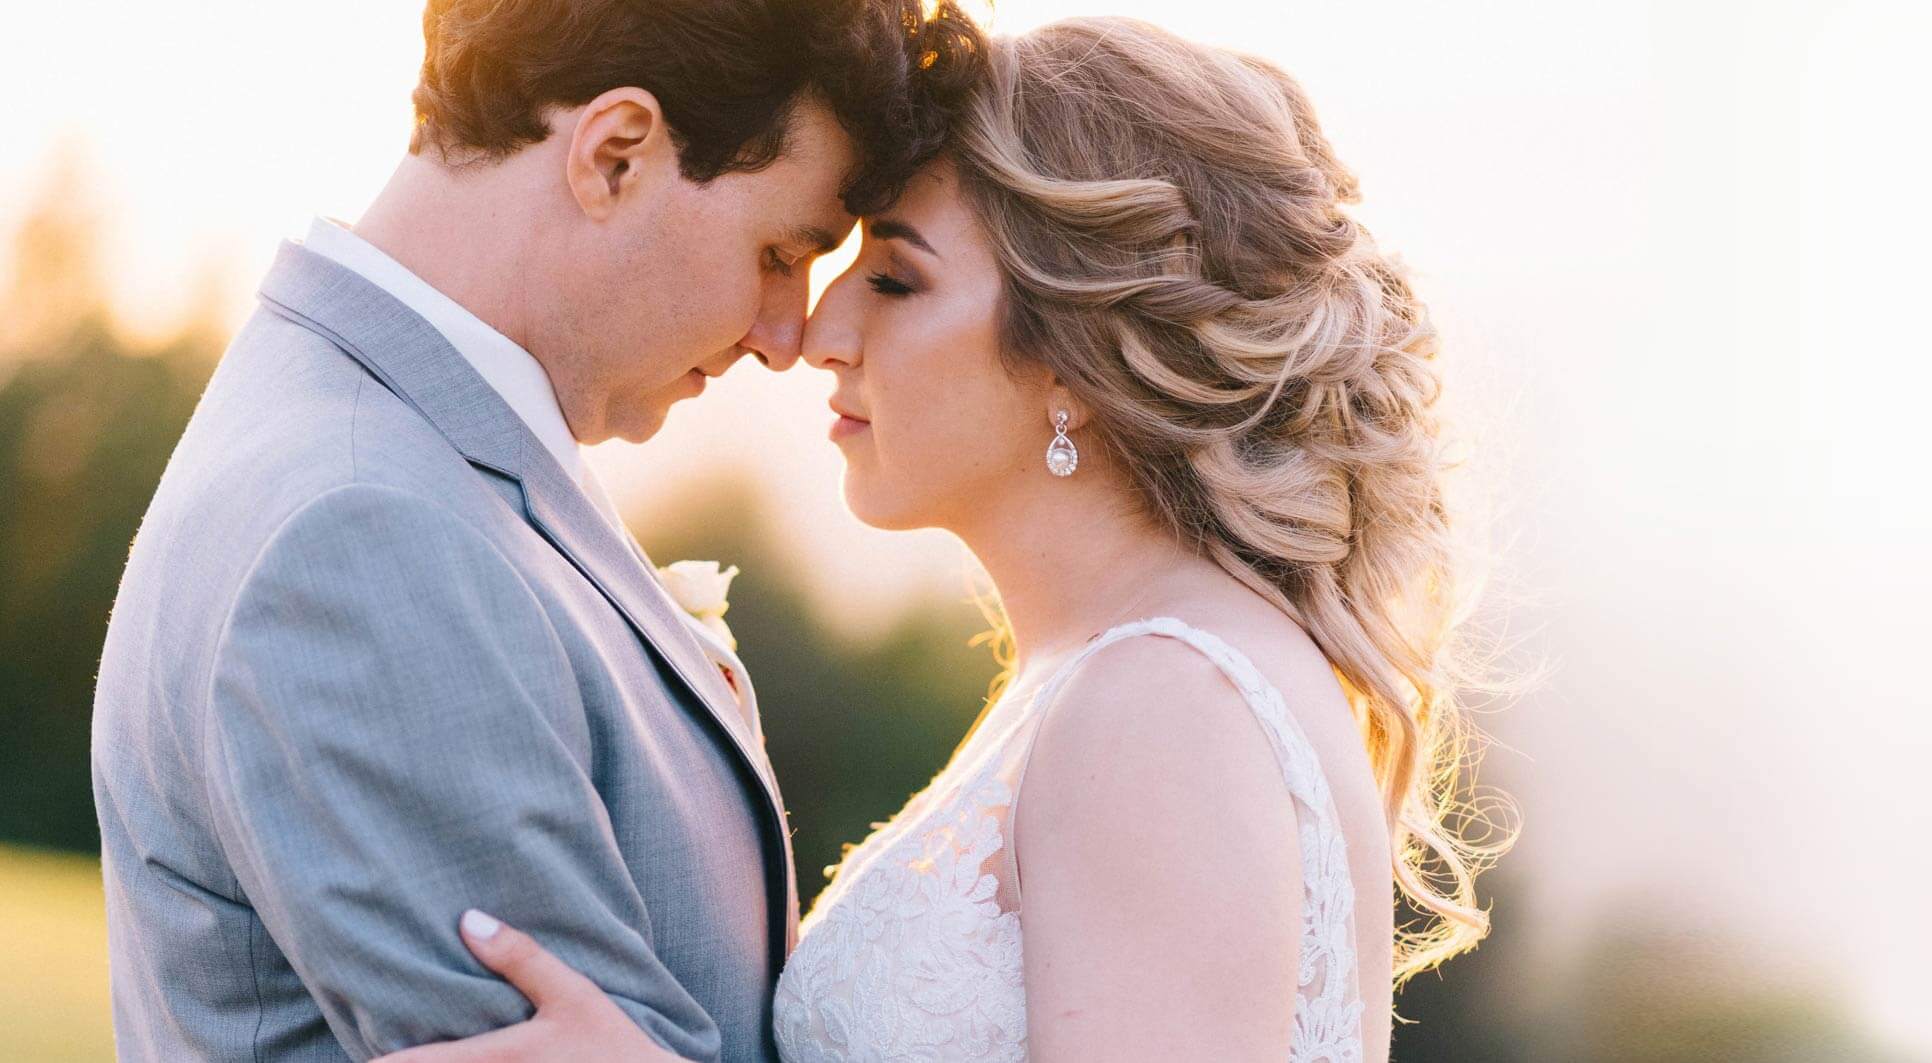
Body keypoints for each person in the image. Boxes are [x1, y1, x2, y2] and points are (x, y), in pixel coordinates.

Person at [381, 16, 1503, 1063]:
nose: (820, 332)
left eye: (897, 278)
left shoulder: (1164, 706)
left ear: (1076, 348)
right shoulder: (1110, 673)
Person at [88, 1, 981, 1058]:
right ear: (614, 155)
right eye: (782, 251)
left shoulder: (418, 450)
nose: (786, 338)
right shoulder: (363, 533)